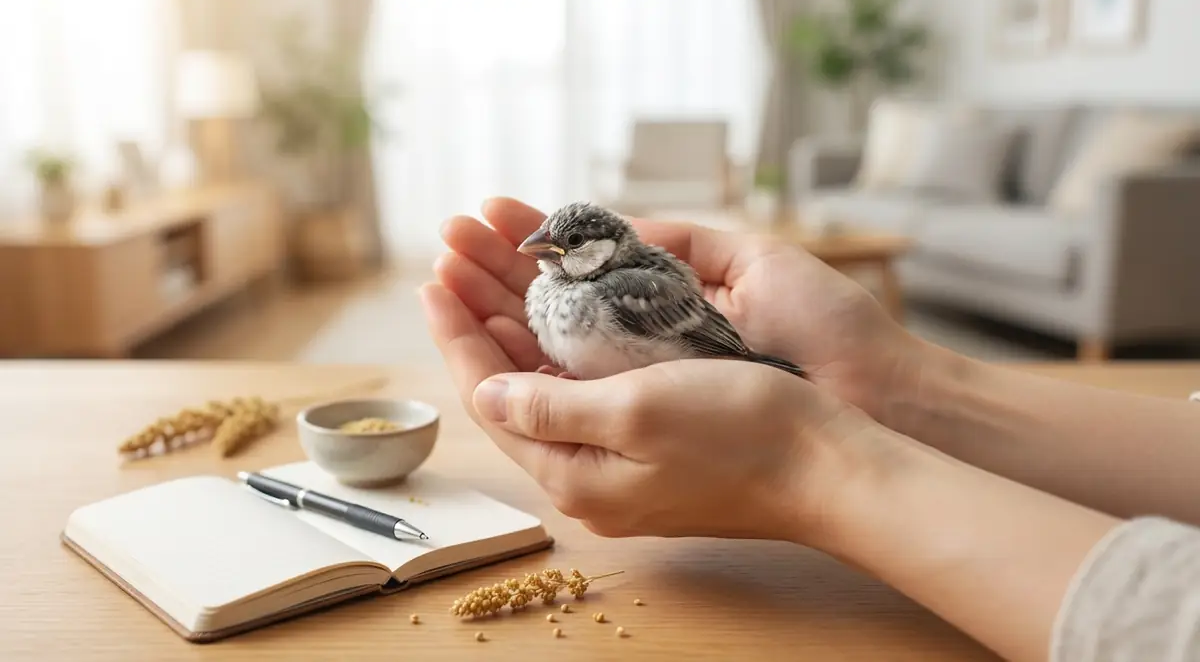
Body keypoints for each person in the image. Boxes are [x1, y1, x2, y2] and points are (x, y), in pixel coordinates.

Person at [419, 197, 1200, 662]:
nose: (548, 259)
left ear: (603, 250)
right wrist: (902, 389)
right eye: (547, 249)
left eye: (565, 249)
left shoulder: (632, 286)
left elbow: (709, 343)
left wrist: (806, 458)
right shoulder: (558, 288)